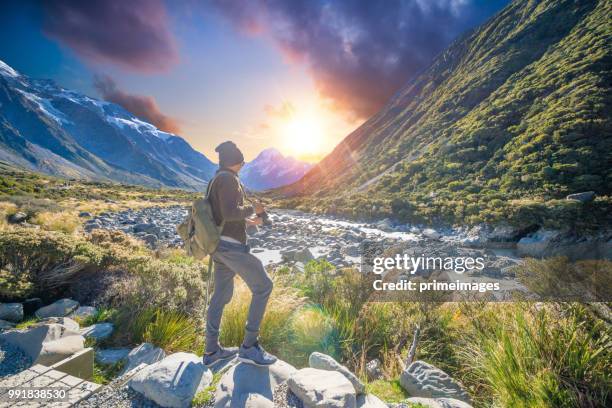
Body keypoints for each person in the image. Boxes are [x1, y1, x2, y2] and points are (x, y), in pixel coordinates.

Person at [203, 141, 277, 366]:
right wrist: (255, 209)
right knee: (264, 286)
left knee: (220, 296)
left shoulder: (217, 179)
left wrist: (249, 221)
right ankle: (249, 347)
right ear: (237, 162)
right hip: (231, 248)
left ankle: (211, 351)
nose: (243, 165)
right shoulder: (228, 180)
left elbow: (222, 216)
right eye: (242, 162)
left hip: (219, 247)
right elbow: (229, 211)